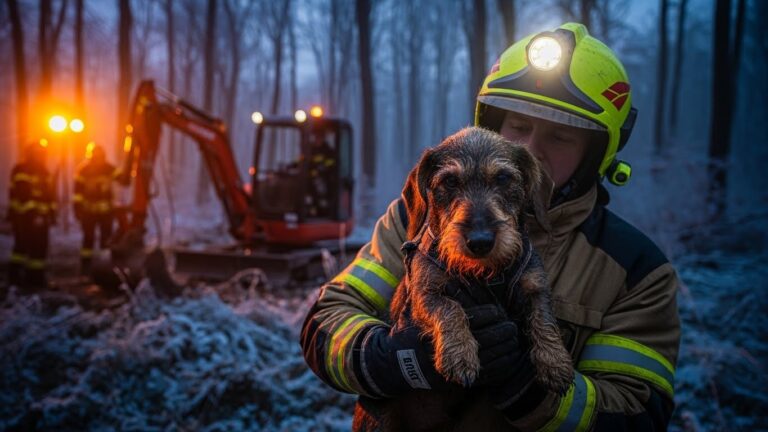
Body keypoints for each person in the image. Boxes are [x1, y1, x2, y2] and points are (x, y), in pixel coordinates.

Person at [301, 22, 680, 431]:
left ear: (596, 154)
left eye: (560, 136)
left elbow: (638, 416)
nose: (527, 149)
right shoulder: (416, 221)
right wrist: (396, 358)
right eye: (518, 126)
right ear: (491, 124)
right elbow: (324, 327)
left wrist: (526, 388)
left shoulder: (636, 270)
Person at [7, 140, 57, 290]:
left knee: (40, 249)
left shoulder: (44, 171)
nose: (40, 156)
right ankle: (15, 278)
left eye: (41, 154)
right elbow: (23, 194)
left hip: (41, 218)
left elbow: (50, 195)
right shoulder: (21, 170)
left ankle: (35, 278)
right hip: (23, 217)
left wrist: (51, 213)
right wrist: (33, 213)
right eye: (37, 154)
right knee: (22, 247)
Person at [73, 143, 117, 274]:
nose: (97, 159)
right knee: (88, 239)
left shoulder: (109, 168)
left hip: (106, 213)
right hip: (89, 213)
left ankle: (105, 266)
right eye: (95, 157)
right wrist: (77, 209)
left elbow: (123, 178)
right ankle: (85, 267)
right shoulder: (83, 170)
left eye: (100, 157)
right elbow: (77, 193)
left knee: (106, 240)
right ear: (91, 157)